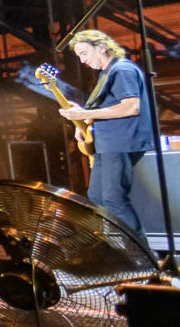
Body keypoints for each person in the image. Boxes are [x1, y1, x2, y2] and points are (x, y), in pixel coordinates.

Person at [55, 30, 158, 247]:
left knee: (113, 199)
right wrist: (83, 119)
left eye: (84, 53)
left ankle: (142, 256)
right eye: (79, 56)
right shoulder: (107, 73)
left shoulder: (122, 70)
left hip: (121, 142)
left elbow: (131, 106)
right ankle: (119, 249)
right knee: (97, 197)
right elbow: (108, 108)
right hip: (106, 144)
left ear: (101, 46)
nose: (83, 60)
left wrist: (85, 115)